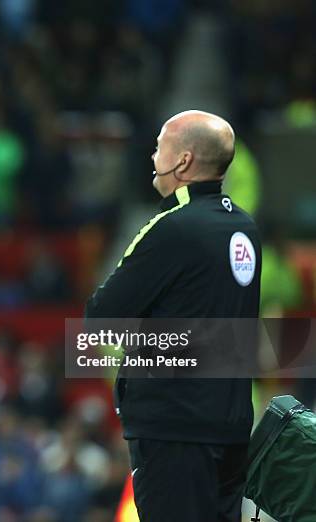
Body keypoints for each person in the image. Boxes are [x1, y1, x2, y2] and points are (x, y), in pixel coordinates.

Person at [86, 110, 261, 522]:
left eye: (160, 144)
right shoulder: (245, 228)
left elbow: (100, 316)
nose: (152, 155)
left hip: (175, 429)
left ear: (182, 161)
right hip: (231, 424)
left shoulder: (173, 227)